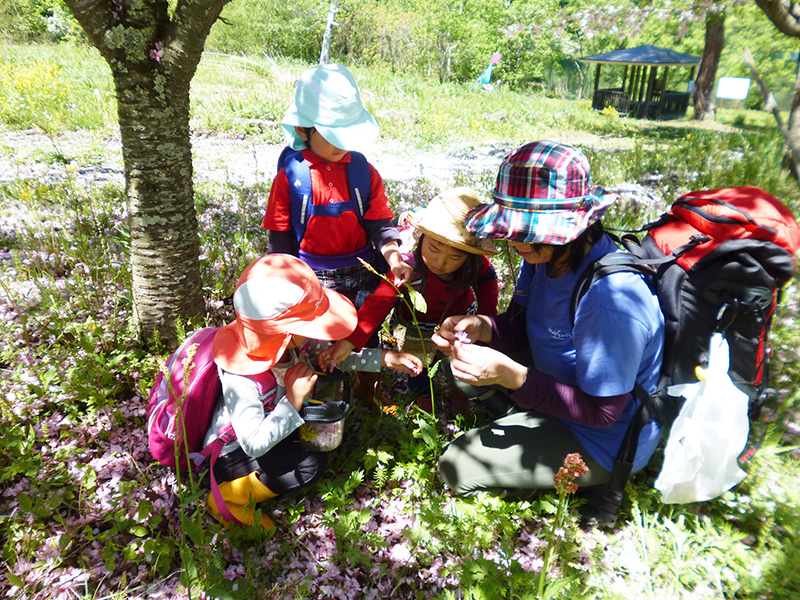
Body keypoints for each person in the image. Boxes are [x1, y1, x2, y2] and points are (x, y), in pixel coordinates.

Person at [432, 141, 665, 499]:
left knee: (455, 468)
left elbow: (602, 413)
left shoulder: (610, 301)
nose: (514, 241)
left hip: (602, 439)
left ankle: (564, 475)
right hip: (560, 386)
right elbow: (522, 326)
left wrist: (510, 375)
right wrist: (481, 327)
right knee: (461, 368)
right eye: (512, 229)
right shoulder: (544, 255)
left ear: (573, 228)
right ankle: (531, 425)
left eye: (526, 232)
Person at [206, 254, 420, 529]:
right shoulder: (242, 376)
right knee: (310, 465)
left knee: (320, 438)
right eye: (308, 324)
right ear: (282, 334)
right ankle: (230, 497)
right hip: (233, 452)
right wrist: (293, 400)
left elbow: (333, 357)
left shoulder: (296, 343)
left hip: (275, 424)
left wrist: (387, 358)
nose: (315, 332)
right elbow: (253, 443)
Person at [319, 187, 499, 411]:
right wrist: (351, 341)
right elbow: (379, 302)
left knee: (457, 357)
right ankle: (423, 394)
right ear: (421, 237)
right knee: (417, 364)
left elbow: (488, 283)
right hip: (415, 325)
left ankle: (460, 391)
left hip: (458, 321)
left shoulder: (475, 264)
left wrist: (486, 318)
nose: (440, 262)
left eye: (454, 256)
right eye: (433, 248)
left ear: (469, 255)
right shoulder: (407, 266)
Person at [262, 62, 413, 309]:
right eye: (333, 135)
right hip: (310, 278)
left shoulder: (363, 172)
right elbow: (279, 243)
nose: (342, 144)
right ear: (302, 130)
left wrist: (395, 259)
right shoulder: (290, 177)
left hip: (363, 275)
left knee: (361, 331)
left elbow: (381, 227)